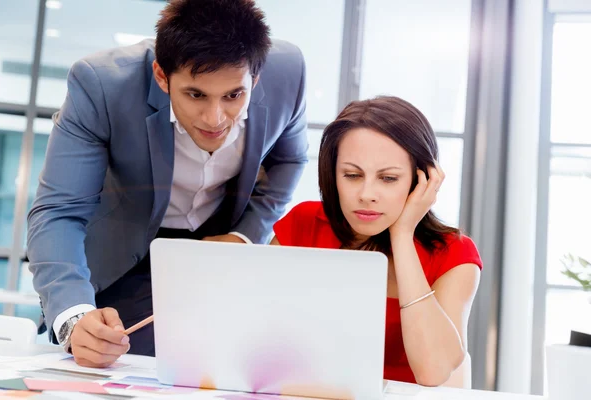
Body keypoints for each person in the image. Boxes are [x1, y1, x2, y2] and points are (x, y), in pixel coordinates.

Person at [27, 0, 308, 368]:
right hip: (125, 256)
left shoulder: (288, 72)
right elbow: (59, 211)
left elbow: (290, 159)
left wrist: (245, 235)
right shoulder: (100, 84)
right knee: (109, 363)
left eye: (233, 95)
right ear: (162, 76)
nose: (215, 118)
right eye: (195, 95)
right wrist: (75, 316)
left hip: (218, 254)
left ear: (255, 79)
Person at [271, 96, 482, 387]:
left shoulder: (454, 254)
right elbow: (259, 336)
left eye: (388, 178)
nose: (367, 194)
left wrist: (403, 234)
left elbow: (433, 371)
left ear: (422, 180)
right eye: (352, 175)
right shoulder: (303, 225)